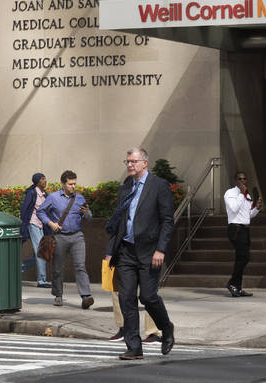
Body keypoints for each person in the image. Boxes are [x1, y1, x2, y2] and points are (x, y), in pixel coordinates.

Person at [105, 148, 175, 360]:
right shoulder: (125, 187)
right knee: (126, 299)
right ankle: (134, 347)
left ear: (145, 163)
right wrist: (110, 251)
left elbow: (167, 220)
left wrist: (161, 249)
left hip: (149, 251)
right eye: (127, 161)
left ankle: (166, 327)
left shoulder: (159, 186)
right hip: (126, 251)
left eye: (133, 161)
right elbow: (119, 221)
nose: (129, 165)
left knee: (148, 296)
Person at [38, 170, 93, 310]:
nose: (73, 186)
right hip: (60, 236)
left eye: (74, 184)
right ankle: (58, 294)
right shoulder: (53, 197)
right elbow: (40, 211)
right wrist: (50, 223)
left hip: (77, 236)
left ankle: (86, 296)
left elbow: (89, 216)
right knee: (57, 268)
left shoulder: (79, 198)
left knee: (80, 266)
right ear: (63, 183)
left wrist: (87, 214)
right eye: (70, 184)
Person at [224, 171, 261, 297]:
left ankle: (237, 287)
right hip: (235, 229)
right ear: (236, 180)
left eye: (244, 179)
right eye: (240, 179)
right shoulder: (230, 193)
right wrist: (242, 195)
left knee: (242, 258)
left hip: (245, 229)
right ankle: (232, 283)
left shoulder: (247, 196)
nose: (242, 181)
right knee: (244, 257)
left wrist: (257, 208)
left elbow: (248, 215)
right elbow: (234, 208)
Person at [19, 172, 50, 288]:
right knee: (41, 252)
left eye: (45, 178)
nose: (45, 180)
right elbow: (24, 210)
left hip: (43, 226)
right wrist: (24, 225)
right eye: (42, 179)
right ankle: (42, 281)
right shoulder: (32, 193)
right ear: (37, 181)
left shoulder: (45, 194)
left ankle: (18, 269)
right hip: (33, 224)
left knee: (43, 252)